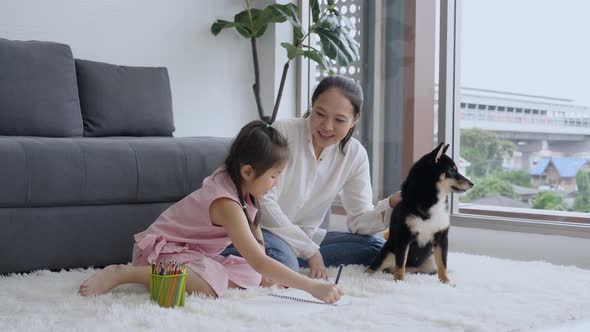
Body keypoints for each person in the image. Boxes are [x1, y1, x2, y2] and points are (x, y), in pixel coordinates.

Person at [79, 120, 343, 304]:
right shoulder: (226, 202)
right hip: (159, 253)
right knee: (215, 281)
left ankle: (195, 272)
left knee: (252, 275)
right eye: (274, 176)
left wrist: (265, 274)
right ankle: (123, 273)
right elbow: (260, 260)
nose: (276, 183)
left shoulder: (242, 187)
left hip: (192, 254)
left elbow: (256, 244)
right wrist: (312, 287)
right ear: (247, 171)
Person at [222, 76, 402, 280]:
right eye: (320, 114)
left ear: (355, 119)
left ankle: (285, 257)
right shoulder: (284, 132)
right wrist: (310, 251)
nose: (327, 126)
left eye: (339, 120)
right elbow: (264, 202)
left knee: (377, 248)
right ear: (312, 106)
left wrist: (391, 205)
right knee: (286, 261)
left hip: (308, 236)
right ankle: (253, 254)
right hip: (263, 231)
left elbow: (359, 222)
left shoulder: (355, 155)